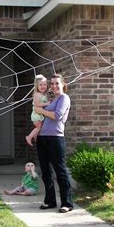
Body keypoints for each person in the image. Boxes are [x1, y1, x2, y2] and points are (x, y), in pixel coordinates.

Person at [33, 73, 73, 213]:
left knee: (60, 172)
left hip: (56, 138)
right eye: (53, 83)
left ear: (63, 84)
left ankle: (67, 203)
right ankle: (50, 201)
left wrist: (41, 111)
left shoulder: (64, 98)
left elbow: (57, 116)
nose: (54, 86)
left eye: (57, 83)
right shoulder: (51, 99)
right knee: (45, 172)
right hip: (42, 138)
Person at [25, 74, 49, 146]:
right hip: (36, 115)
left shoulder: (43, 94)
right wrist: (47, 103)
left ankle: (35, 137)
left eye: (45, 84)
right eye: (41, 85)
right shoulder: (37, 94)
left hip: (39, 114)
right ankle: (29, 137)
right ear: (37, 86)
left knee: (39, 128)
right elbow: (36, 104)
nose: (43, 86)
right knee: (39, 127)